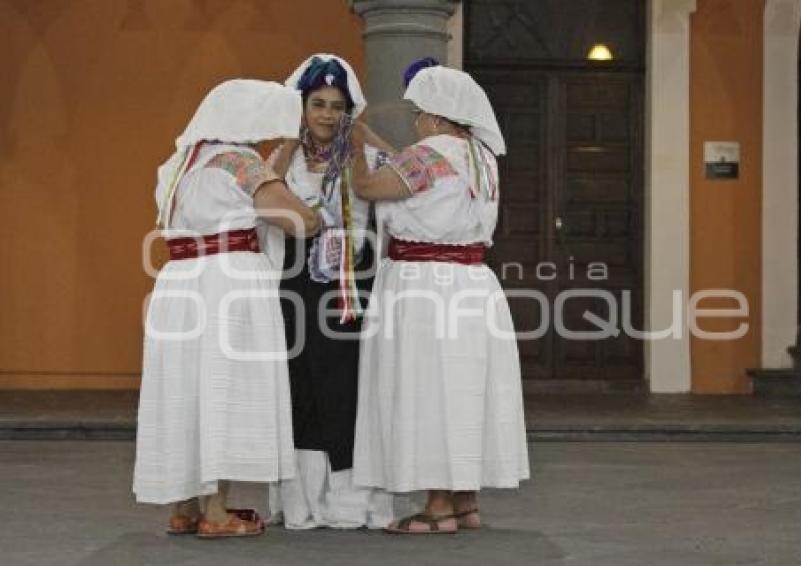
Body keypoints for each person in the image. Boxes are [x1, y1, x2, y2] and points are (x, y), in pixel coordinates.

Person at [133, 79, 320, 538]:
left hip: (178, 281)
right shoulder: (242, 162)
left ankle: (184, 506)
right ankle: (216, 511)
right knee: (223, 383)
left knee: (185, 387)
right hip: (227, 283)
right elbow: (300, 220)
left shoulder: (176, 164)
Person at [350, 61, 530, 534]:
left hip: (424, 285)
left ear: (434, 115)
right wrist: (378, 144)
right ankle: (465, 499)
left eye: (419, 113)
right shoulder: (481, 155)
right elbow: (413, 170)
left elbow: (367, 186)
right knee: (464, 389)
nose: (415, 121)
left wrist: (353, 144)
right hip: (471, 282)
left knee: (427, 388)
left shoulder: (427, 155)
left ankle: (437, 507)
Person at [267, 54, 395, 530]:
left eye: (336, 105)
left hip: (351, 280)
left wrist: (361, 133)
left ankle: (349, 500)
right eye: (316, 103)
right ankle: (301, 500)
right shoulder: (287, 155)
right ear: (300, 107)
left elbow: (403, 170)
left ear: (349, 109)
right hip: (298, 276)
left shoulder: (362, 152)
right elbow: (264, 193)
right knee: (301, 380)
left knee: (346, 382)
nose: (326, 114)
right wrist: (283, 140)